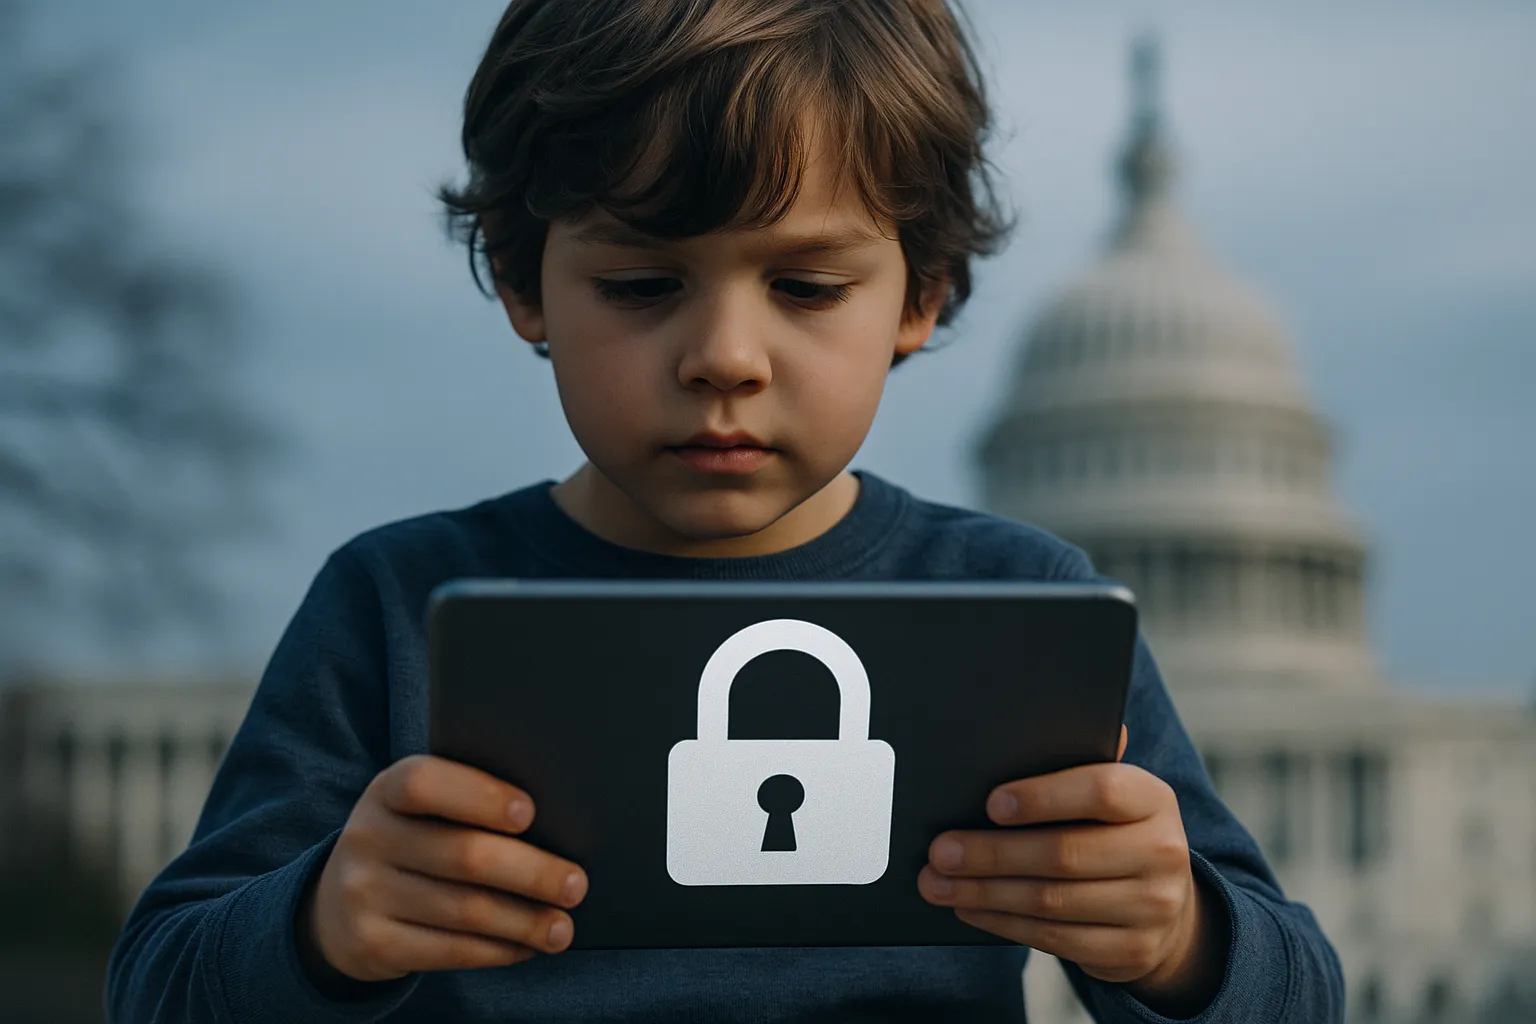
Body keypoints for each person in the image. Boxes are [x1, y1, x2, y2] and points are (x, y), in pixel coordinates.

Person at [105, 0, 1345, 1020]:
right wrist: (322, 925)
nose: (725, 358)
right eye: (644, 282)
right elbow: (158, 985)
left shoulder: (1030, 606)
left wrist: (1178, 938)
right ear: (524, 280)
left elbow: (1299, 994)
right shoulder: (393, 606)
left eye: (805, 285)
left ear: (921, 295)